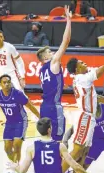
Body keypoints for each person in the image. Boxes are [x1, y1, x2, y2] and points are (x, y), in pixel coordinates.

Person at [7, 117, 95, 173]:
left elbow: (22, 170)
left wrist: (15, 167)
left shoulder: (31, 148)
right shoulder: (60, 146)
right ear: (49, 130)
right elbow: (76, 166)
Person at [0, 74, 40, 173]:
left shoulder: (17, 94)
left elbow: (30, 105)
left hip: (21, 121)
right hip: (9, 123)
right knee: (7, 148)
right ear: (0, 84)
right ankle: (17, 165)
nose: (7, 84)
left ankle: (15, 171)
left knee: (17, 145)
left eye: (9, 82)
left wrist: (40, 117)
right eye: (4, 82)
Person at [36, 6, 71, 141]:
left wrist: (63, 85)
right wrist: (69, 20)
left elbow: (51, 84)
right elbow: (66, 41)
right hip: (54, 108)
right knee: (59, 141)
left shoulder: (41, 70)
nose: (53, 53)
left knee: (47, 139)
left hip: (44, 107)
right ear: (45, 58)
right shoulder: (53, 62)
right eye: (50, 53)